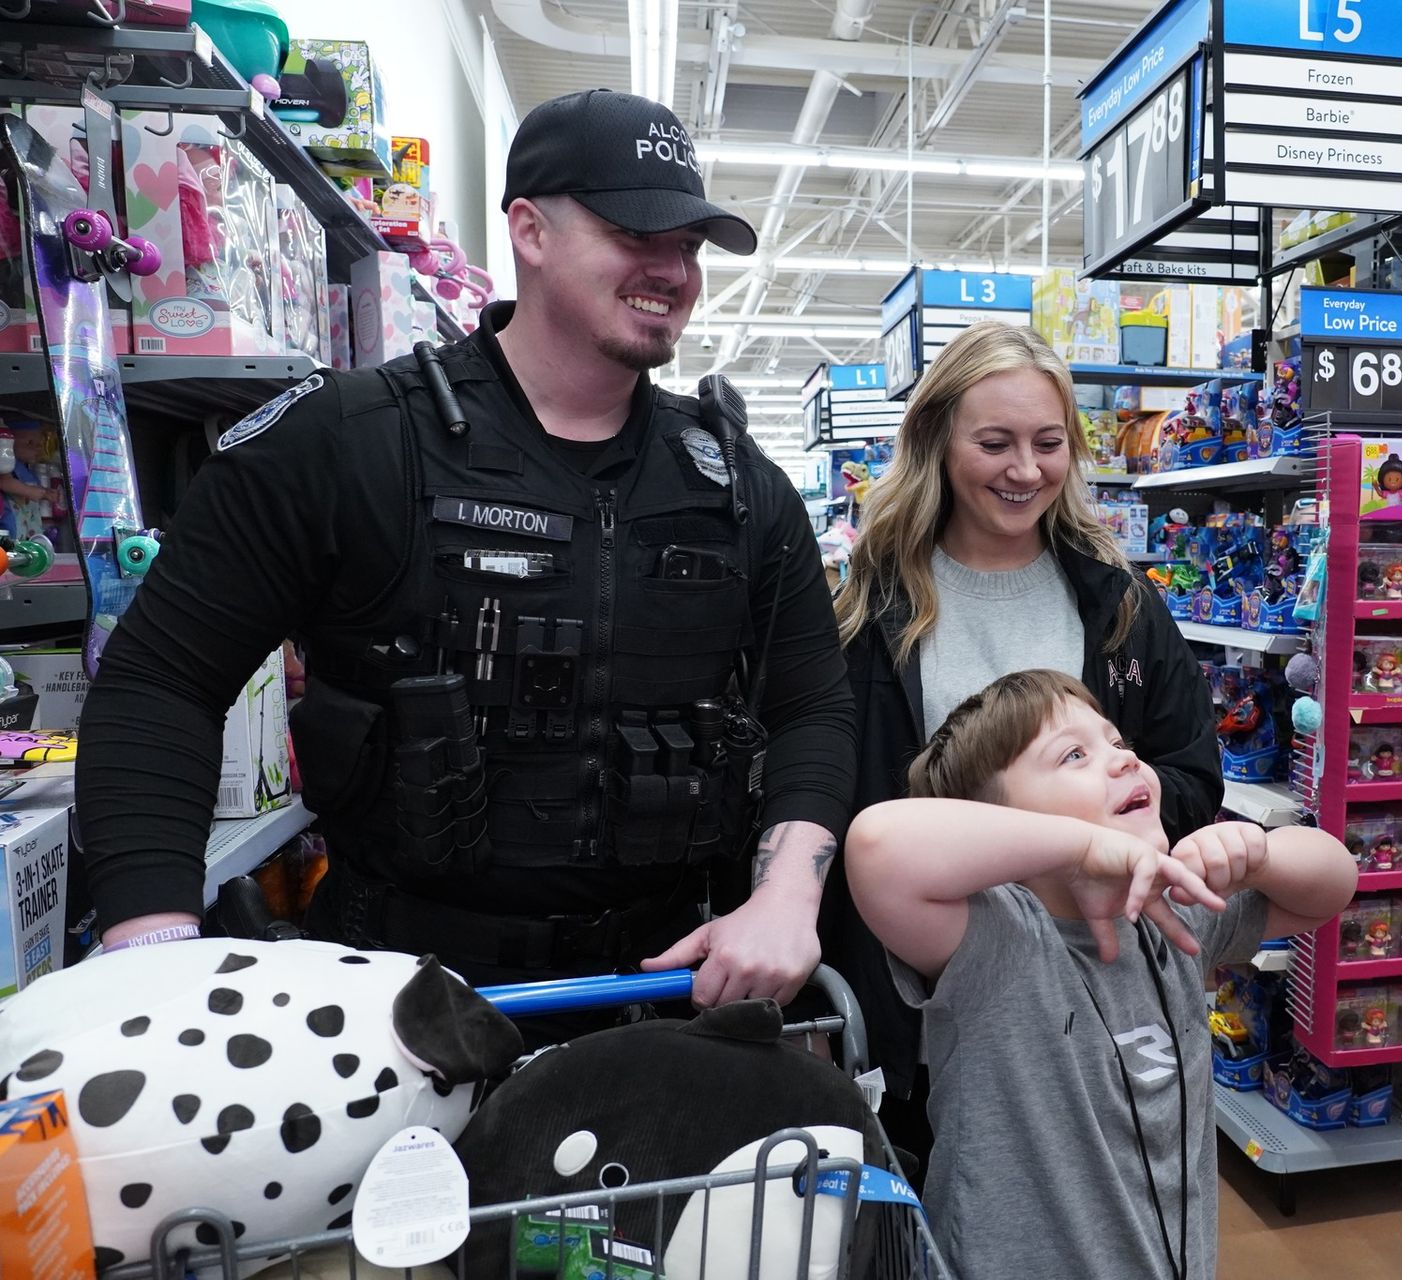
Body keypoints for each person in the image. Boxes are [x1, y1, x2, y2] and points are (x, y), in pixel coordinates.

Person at [73, 90, 855, 1012]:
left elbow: (812, 705)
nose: (672, 270)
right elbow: (162, 679)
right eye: (636, 234)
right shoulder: (349, 443)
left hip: (668, 993)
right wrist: (151, 938)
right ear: (529, 230)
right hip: (390, 1004)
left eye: (688, 245)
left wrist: (786, 894)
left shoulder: (733, 479)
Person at [824, 319, 1224, 1122]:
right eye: (995, 442)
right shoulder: (869, 608)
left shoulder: (1120, 607)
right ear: (937, 441)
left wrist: (1099, 852)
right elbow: (837, 794)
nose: (1024, 470)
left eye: (1048, 443)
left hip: (1087, 996)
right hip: (922, 1004)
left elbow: (1189, 772)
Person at [845, 669, 1354, 1279]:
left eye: (1117, 743)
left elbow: (1334, 884)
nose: (1124, 761)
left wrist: (1259, 854)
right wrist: (1079, 848)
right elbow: (876, 845)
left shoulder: (1174, 914)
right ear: (1004, 826)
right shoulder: (995, 938)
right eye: (1074, 756)